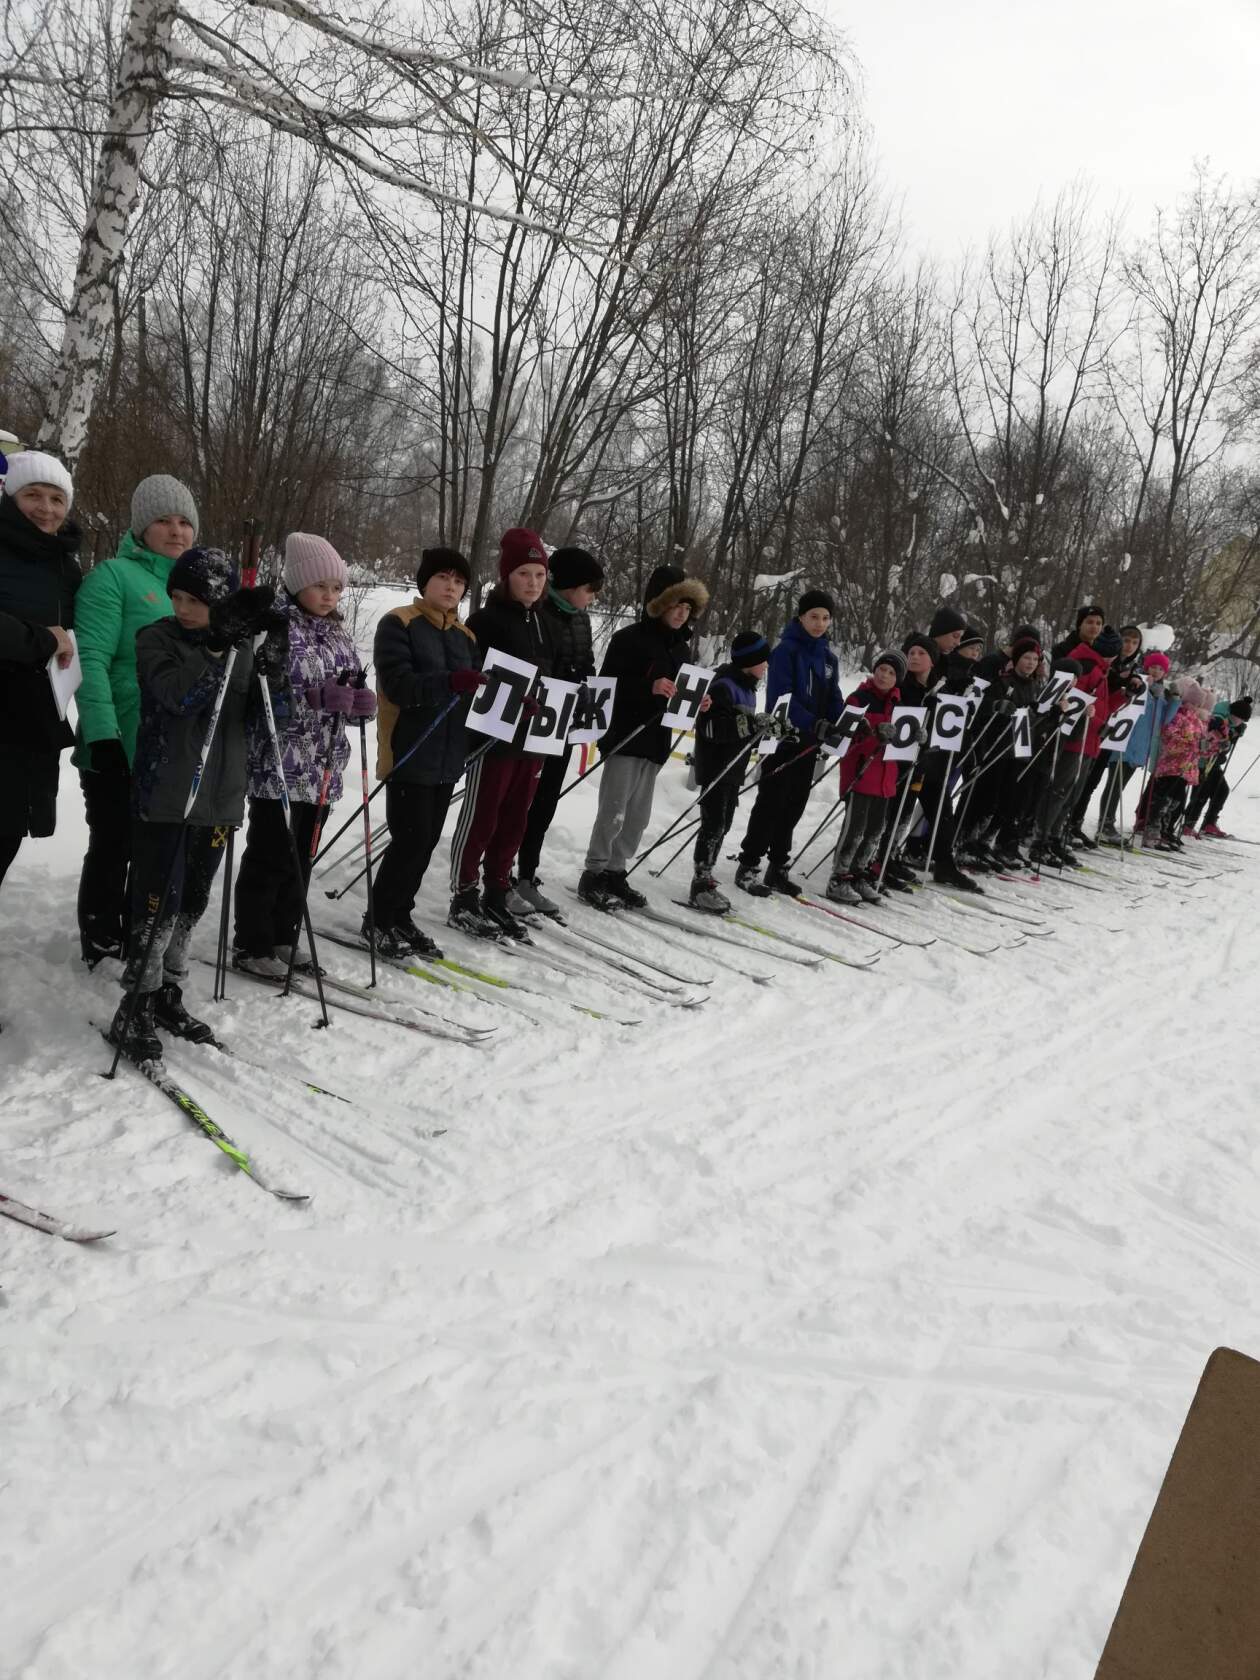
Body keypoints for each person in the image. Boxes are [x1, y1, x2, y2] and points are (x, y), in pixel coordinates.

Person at [108, 550, 282, 1060]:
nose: (184, 608)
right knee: (158, 904)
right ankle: (136, 1001)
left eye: (197, 601)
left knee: (191, 904)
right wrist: (213, 647)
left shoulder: (242, 646)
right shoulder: (155, 639)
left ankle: (169, 991)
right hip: (167, 795)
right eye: (178, 597)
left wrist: (275, 665)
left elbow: (264, 718)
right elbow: (177, 699)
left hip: (221, 798)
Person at [233, 534, 372, 978]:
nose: (329, 596)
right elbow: (259, 695)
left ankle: (283, 935)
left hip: (324, 767)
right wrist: (312, 696)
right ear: (297, 585)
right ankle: (252, 942)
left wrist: (359, 704)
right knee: (270, 855)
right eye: (320, 587)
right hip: (278, 765)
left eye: (336, 588)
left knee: (301, 858)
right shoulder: (275, 628)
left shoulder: (338, 632)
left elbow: (347, 690)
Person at [74, 474, 200, 965]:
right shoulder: (113, 577)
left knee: (155, 850)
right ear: (141, 527)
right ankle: (100, 931)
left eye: (185, 521)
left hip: (172, 746)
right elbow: (91, 658)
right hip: (119, 740)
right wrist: (103, 734)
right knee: (113, 843)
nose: (176, 531)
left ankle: (136, 927)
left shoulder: (194, 587)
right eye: (164, 521)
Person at [369, 548, 483, 957]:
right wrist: (451, 681)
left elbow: (472, 693)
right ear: (425, 582)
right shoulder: (398, 623)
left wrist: (511, 704)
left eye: (458, 581)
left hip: (448, 758)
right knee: (408, 842)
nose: (451, 586)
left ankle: (401, 914)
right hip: (410, 752)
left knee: (427, 842)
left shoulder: (465, 636)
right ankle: (379, 919)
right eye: (443, 578)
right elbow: (399, 686)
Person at [579, 562, 710, 911]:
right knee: (614, 810)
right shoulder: (628, 639)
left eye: (687, 609)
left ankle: (616, 871)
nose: (682, 615)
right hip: (625, 736)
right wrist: (646, 686)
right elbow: (607, 688)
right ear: (658, 604)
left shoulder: (682, 650)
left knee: (638, 815)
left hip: (655, 742)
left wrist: (697, 701)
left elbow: (677, 697)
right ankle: (594, 872)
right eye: (675, 606)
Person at [449, 527, 559, 939]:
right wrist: (508, 698)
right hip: (492, 741)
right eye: (524, 574)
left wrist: (572, 697)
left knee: (516, 819)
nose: (532, 583)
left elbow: (554, 677)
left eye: (539, 575)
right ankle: (463, 894)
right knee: (483, 817)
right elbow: (478, 679)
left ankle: (497, 888)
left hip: (532, 739)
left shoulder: (547, 622)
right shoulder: (486, 620)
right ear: (507, 575)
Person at [0, 451, 81, 893]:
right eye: (33, 494)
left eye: (56, 498)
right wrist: (44, 640)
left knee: (8, 834)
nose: (46, 508)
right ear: (12, 496)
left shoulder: (65, 566)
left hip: (32, 720)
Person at [513, 545, 605, 917]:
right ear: (568, 586)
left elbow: (585, 661)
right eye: (589, 588)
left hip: (564, 724)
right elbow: (538, 664)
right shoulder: (540, 612)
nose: (593, 597)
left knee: (546, 801)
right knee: (522, 801)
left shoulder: (581, 618)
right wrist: (564, 680)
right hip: (536, 722)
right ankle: (499, 873)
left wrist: (588, 686)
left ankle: (526, 874)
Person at [735, 588, 843, 896]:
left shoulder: (828, 657)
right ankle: (749, 863)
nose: (820, 623)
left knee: (795, 804)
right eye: (813, 617)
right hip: (784, 737)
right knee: (771, 802)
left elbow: (833, 697)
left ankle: (778, 866)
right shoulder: (786, 651)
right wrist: (813, 722)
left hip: (811, 741)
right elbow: (783, 697)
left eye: (825, 618)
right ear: (801, 617)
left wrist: (844, 721)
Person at [689, 629, 773, 913]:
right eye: (763, 661)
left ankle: (707, 877)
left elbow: (744, 734)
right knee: (712, 826)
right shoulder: (723, 686)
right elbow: (713, 729)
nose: (766, 666)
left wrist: (768, 730)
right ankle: (700, 883)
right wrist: (751, 725)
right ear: (749, 661)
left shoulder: (748, 688)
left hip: (734, 770)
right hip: (716, 768)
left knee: (723, 824)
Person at [824, 649, 904, 904]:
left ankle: (859, 874)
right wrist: (871, 733)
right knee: (855, 830)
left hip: (885, 778)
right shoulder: (858, 699)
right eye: (882, 669)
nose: (884, 675)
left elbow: (903, 741)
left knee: (874, 832)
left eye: (891, 673)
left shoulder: (899, 705)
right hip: (861, 773)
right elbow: (846, 741)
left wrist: (917, 740)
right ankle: (839, 877)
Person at [1102, 650, 1172, 841]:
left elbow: (1163, 720)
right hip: (1125, 741)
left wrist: (1172, 700)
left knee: (1120, 785)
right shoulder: (1139, 683)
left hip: (1140, 748)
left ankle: (1107, 821)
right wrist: (1146, 691)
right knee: (1114, 785)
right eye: (1153, 667)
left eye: (1160, 669)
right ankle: (1105, 822)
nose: (1156, 671)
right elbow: (1130, 707)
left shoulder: (1160, 694)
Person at [1147, 678, 1212, 849]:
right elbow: (1169, 737)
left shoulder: (1197, 721)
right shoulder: (1178, 715)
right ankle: (1152, 829)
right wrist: (1191, 744)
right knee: (1164, 798)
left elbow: (1202, 743)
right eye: (1192, 703)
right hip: (1171, 766)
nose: (1194, 707)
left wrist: (1208, 746)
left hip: (1187, 768)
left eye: (1197, 704)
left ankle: (1165, 829)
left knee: (1177, 800)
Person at [1187, 696, 1251, 836]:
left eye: (1241, 720)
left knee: (1221, 791)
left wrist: (1235, 735)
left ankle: (1209, 823)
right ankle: (1188, 824)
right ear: (1231, 713)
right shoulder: (1218, 720)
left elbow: (1225, 746)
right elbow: (1210, 742)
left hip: (1214, 763)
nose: (1238, 722)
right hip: (1204, 763)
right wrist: (1228, 737)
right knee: (1201, 793)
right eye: (1237, 718)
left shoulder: (1231, 725)